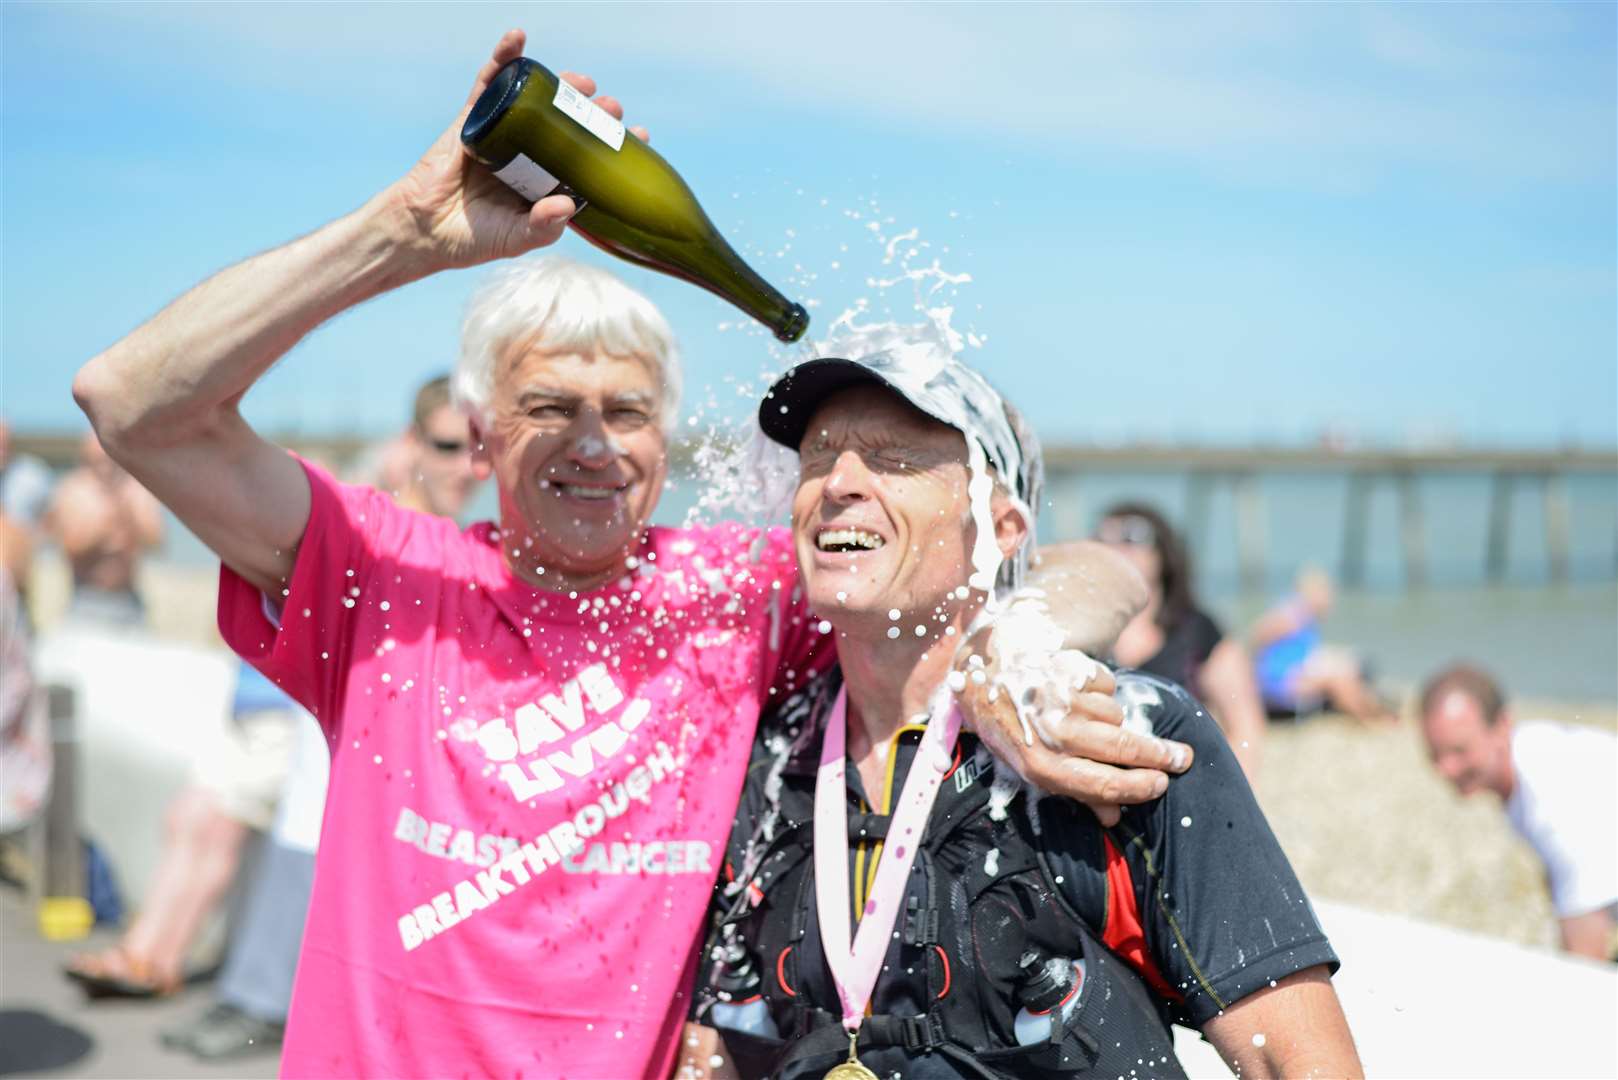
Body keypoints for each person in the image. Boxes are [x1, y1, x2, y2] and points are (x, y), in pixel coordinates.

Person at [70, 31, 1189, 1078]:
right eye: (553, 407)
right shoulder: (383, 577)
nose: (597, 446)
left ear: (669, 436)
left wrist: (1015, 652)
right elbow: (134, 405)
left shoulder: (737, 597)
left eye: (631, 411)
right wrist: (402, 235)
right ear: (480, 434)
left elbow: (1094, 565)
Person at [685, 345, 1360, 1079]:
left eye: (893, 458)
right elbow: (715, 1053)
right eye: (817, 456)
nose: (839, 482)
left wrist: (1010, 651)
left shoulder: (1115, 735)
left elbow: (1297, 1063)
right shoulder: (762, 759)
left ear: (1001, 528)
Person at [160, 375, 482, 1060]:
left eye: (481, 448)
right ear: (411, 443)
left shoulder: (465, 545)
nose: (467, 465)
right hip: (332, 755)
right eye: (450, 445)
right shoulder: (371, 529)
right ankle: (254, 1001)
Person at [1419, 664, 1618, 962]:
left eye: (1460, 751)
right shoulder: (1528, 756)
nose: (1446, 769)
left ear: (1501, 725)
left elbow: (1587, 960)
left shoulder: (1552, 796)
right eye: (1435, 754)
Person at [1096, 502, 1267, 779]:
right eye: (1102, 540)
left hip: (1181, 782)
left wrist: (1230, 790)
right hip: (1100, 788)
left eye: (1131, 536)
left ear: (1162, 552)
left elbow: (1244, 724)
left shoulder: (1198, 631)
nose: (1115, 548)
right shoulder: (1082, 636)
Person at [44, 431, 164, 630]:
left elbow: (156, 542)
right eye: (98, 459)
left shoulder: (137, 489)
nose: (106, 466)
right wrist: (107, 529)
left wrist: (125, 516)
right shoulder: (73, 489)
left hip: (128, 600)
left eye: (110, 457)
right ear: (86, 457)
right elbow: (67, 547)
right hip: (85, 598)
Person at [1248, 566, 1394, 723]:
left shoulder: (1304, 617)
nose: (1330, 600)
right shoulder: (1292, 616)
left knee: (1345, 672)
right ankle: (1369, 718)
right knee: (1337, 681)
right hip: (1281, 684)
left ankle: (1376, 713)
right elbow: (1257, 637)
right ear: (1313, 592)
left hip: (1293, 677)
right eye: (1326, 594)